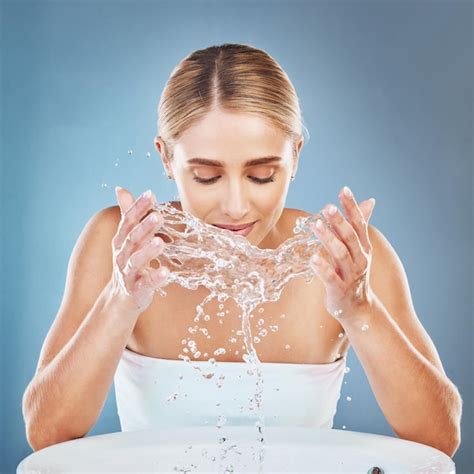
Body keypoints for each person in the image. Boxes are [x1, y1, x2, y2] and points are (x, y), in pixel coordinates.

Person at [22, 43, 462, 456]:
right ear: (165, 158)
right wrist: (119, 300)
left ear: (296, 155)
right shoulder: (120, 245)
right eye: (207, 177)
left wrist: (360, 308)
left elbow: (439, 437)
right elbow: (47, 433)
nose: (234, 206)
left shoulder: (348, 256)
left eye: (262, 175)